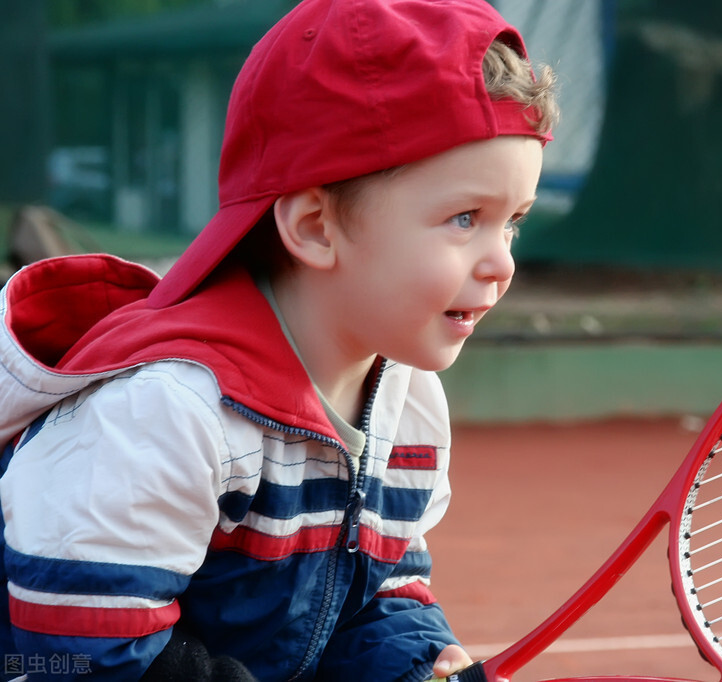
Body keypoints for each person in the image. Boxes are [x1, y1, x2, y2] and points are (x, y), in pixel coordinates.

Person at [0, 0, 558, 679]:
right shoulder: (165, 414)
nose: (502, 262)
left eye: (514, 223)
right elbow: (78, 659)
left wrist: (415, 667)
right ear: (316, 228)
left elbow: (373, 595)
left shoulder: (408, 403)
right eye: (464, 218)